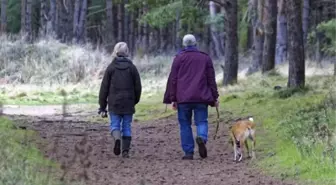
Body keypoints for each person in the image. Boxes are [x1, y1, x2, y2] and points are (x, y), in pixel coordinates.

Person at [163, 34, 219, 160]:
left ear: (184, 44)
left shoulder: (178, 58)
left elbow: (173, 80)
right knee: (202, 121)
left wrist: (173, 98)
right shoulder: (205, 58)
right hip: (201, 97)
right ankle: (202, 138)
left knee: (185, 124)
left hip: (183, 99)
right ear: (195, 44)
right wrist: (215, 97)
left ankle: (188, 152)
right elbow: (211, 79)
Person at [98, 42, 142, 158]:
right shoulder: (132, 68)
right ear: (127, 52)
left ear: (115, 51)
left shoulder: (111, 68)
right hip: (128, 102)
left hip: (114, 102)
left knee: (115, 125)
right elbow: (138, 87)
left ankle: (117, 139)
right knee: (126, 126)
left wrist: (102, 106)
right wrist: (134, 101)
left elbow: (104, 88)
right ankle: (125, 151)